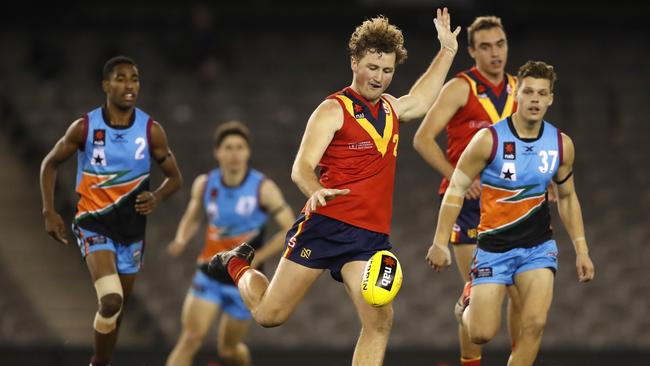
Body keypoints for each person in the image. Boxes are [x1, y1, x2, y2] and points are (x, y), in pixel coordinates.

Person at [208, 8, 460, 366]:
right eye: (373, 67)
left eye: (387, 70)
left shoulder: (390, 107)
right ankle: (236, 263)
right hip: (325, 226)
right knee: (269, 316)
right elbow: (301, 167)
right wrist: (315, 191)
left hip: (369, 238)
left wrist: (447, 51)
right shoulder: (333, 110)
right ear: (355, 62)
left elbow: (418, 101)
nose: (380, 77)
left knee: (380, 320)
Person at [426, 60, 595, 366]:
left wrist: (581, 250)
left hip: (538, 248)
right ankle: (467, 302)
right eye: (528, 91)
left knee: (535, 324)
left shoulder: (560, 145)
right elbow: (455, 190)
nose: (534, 99)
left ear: (550, 98)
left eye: (541, 93)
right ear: (517, 94)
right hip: (494, 250)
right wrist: (439, 242)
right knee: (481, 333)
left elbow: (568, 197)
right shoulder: (488, 140)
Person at [39, 56, 183, 366]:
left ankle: (100, 361)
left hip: (131, 232)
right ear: (106, 85)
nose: (129, 84)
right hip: (93, 224)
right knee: (111, 300)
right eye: (120, 78)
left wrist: (157, 197)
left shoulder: (152, 130)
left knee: (115, 313)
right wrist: (48, 211)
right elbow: (49, 163)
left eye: (134, 78)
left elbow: (175, 178)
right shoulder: (86, 126)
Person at [413, 16, 520, 366]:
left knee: (519, 297)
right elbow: (422, 138)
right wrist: (460, 177)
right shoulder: (460, 88)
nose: (495, 53)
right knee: (481, 297)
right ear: (473, 51)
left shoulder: (520, 90)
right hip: (467, 206)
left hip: (510, 207)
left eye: (500, 44)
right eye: (486, 47)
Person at [165, 121, 294, 366]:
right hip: (209, 273)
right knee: (190, 339)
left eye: (240, 147)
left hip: (243, 280)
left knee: (229, 350)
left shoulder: (263, 189)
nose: (234, 154)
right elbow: (192, 218)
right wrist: (181, 238)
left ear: (248, 152)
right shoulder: (205, 185)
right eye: (228, 148)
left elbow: (291, 229)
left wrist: (258, 257)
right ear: (217, 152)